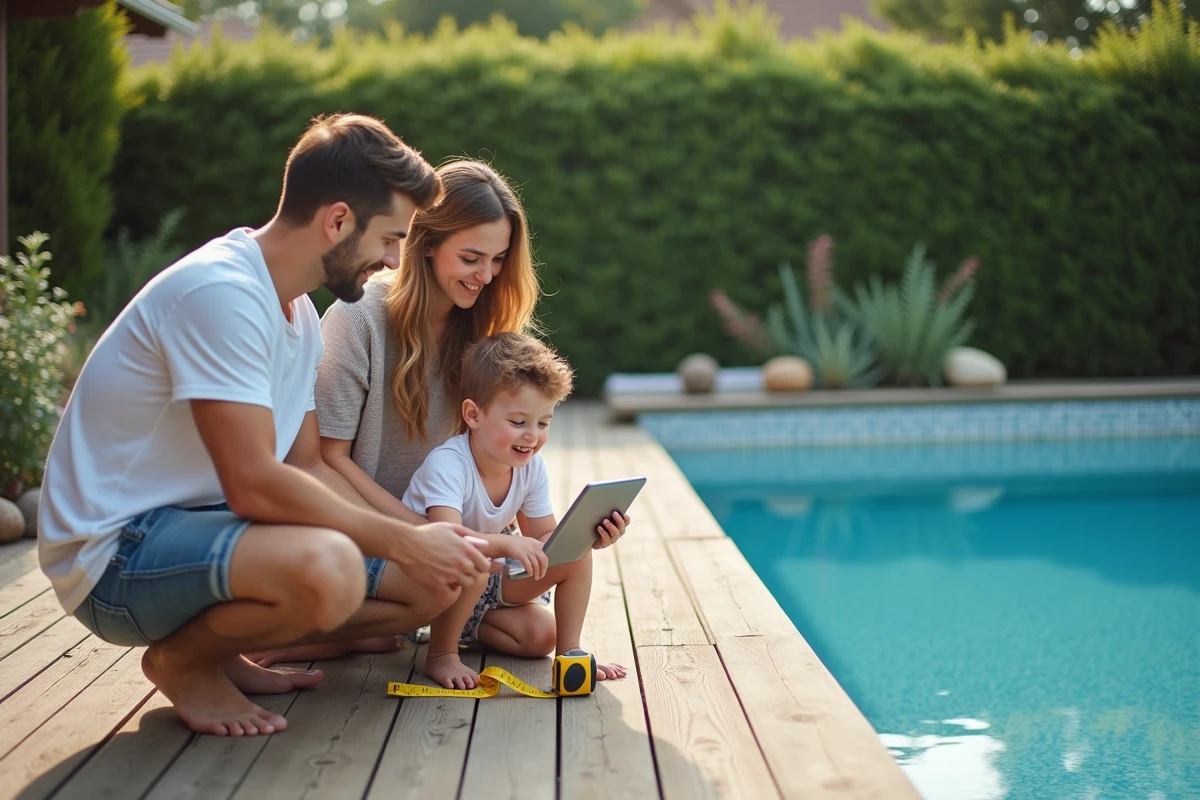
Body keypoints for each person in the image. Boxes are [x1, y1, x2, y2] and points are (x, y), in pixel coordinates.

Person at [37, 113, 493, 737]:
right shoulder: (219, 294)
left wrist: (428, 548)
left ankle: (222, 651)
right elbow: (254, 482)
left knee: (429, 588)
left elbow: (304, 466)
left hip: (201, 536)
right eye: (389, 238)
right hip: (116, 556)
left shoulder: (298, 312)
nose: (393, 260)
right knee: (329, 567)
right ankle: (182, 662)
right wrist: (404, 540)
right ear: (337, 221)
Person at [250, 160, 565, 668]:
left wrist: (563, 535)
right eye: (471, 257)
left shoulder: (484, 330)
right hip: (359, 524)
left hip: (447, 531)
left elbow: (497, 456)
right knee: (440, 582)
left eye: (499, 259)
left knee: (535, 635)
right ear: (426, 244)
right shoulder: (359, 318)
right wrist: (415, 537)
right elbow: (326, 462)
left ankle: (383, 624)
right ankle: (306, 632)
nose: (486, 276)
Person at [402, 332, 629, 689]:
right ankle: (442, 653)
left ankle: (571, 655)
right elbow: (448, 539)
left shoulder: (530, 468)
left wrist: (586, 537)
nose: (532, 436)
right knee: (472, 564)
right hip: (435, 577)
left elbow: (543, 536)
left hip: (486, 581)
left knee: (542, 634)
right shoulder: (448, 464)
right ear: (473, 415)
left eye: (543, 423)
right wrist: (507, 544)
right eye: (518, 422)